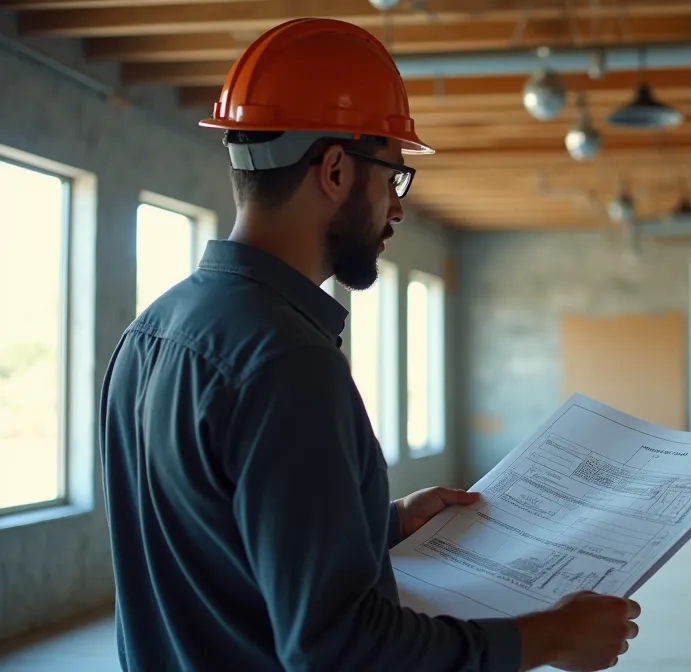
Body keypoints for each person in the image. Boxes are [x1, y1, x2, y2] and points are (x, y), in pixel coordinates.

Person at [98, 17, 639, 672]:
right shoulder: (287, 361)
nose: (398, 208)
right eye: (393, 178)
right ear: (332, 169)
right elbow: (338, 649)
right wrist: (546, 637)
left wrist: (378, 523)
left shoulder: (151, 332)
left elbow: (212, 535)